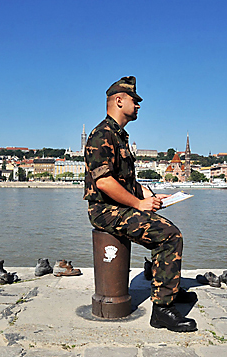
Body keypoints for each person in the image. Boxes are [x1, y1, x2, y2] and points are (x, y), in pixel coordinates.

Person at [84, 76, 197, 332]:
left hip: (119, 206)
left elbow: (125, 181)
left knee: (165, 232)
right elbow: (104, 182)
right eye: (135, 101)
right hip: (105, 211)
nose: (138, 106)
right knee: (169, 236)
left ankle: (167, 290)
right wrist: (138, 203)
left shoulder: (119, 135)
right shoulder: (102, 134)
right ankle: (162, 310)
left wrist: (151, 197)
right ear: (119, 100)